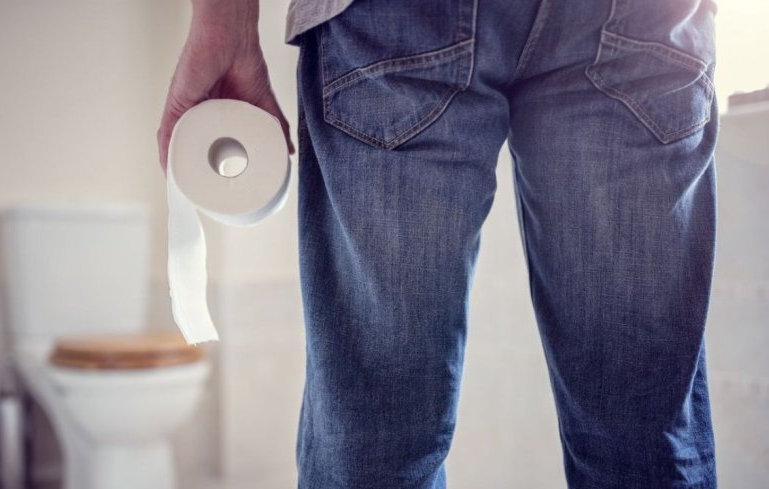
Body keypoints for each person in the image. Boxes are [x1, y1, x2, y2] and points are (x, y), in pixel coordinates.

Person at [158, 0, 719, 487]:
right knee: (643, 436)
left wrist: (222, 21)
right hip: (639, 20)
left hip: (396, 22)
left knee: (377, 440)